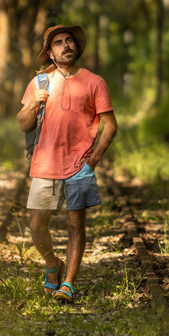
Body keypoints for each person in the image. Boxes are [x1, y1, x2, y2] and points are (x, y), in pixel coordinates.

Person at [17, 24, 118, 303]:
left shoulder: (94, 82)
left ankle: (68, 284)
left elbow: (110, 125)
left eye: (69, 40)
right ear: (50, 53)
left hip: (78, 168)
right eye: (59, 43)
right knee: (37, 225)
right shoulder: (39, 83)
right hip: (45, 164)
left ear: (76, 47)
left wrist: (93, 160)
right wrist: (32, 105)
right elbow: (24, 124)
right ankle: (53, 265)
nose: (66, 45)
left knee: (76, 227)